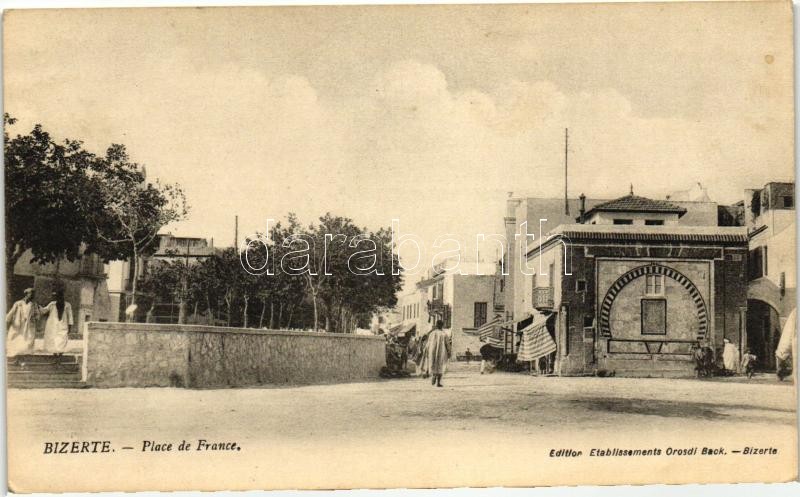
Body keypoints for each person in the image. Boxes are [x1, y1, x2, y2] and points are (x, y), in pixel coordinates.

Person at [6, 288, 39, 361]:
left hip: (28, 326)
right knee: (17, 340)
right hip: (19, 325)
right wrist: (7, 321)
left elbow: (37, 315)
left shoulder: (33, 304)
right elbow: (11, 313)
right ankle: (17, 359)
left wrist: (35, 319)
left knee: (27, 342)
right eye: (31, 294)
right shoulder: (18, 303)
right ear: (26, 294)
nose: (33, 296)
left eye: (33, 294)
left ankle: (22, 359)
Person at [41, 288, 73, 357]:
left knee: (62, 340)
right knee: (53, 340)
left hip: (63, 326)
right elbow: (44, 311)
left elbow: (70, 317)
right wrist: (37, 306)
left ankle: (60, 355)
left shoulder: (67, 305)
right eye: (57, 297)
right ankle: (55, 355)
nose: (58, 298)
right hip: (53, 326)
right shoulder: (52, 304)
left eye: (60, 296)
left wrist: (70, 327)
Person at [426, 320, 451, 387]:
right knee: (441, 366)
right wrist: (449, 352)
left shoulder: (431, 334)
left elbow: (428, 344)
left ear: (436, 325)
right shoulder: (444, 334)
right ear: (442, 326)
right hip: (442, 351)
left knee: (433, 364)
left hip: (432, 351)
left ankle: (434, 375)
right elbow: (447, 344)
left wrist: (427, 351)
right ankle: (438, 382)